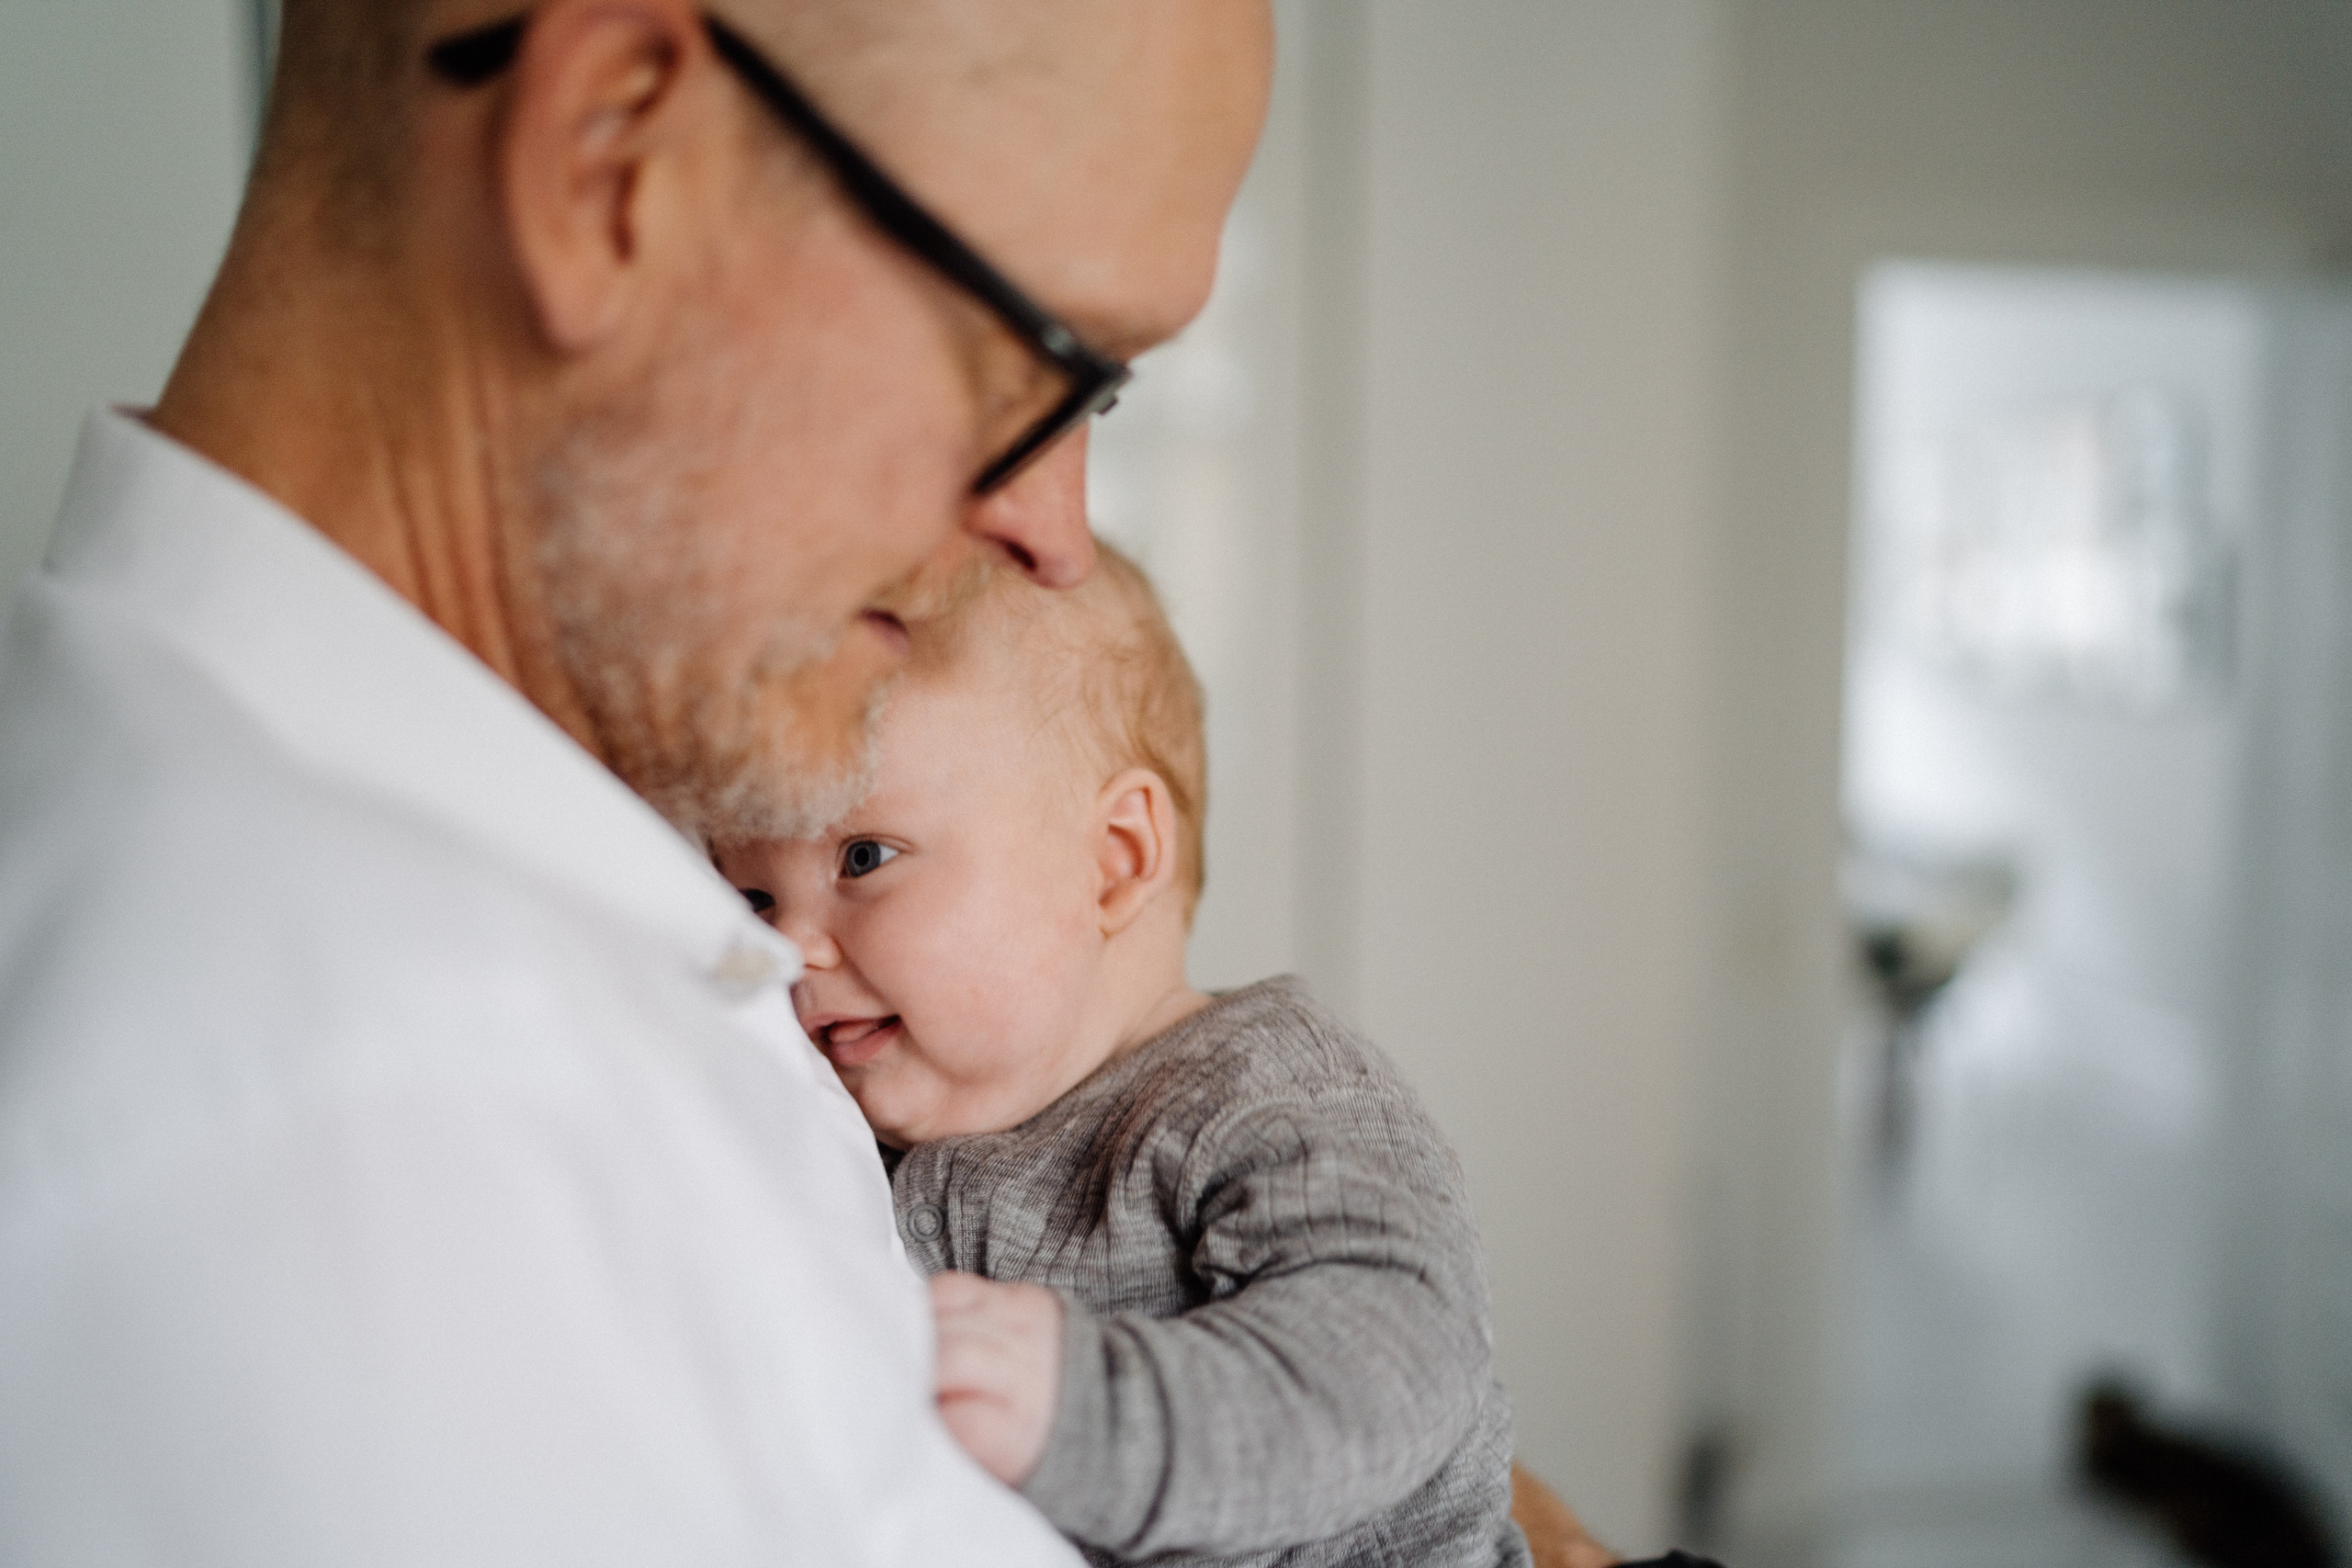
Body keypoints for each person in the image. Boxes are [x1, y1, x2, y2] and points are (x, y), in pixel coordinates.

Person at [0, 2, 1270, 1561]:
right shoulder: (310, 1136)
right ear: (611, 161)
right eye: (1039, 360)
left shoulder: (618, 868)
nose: (1055, 534)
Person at [712, 549, 1527, 1565]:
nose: (788, 947)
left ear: (1115, 860)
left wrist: (1083, 1410)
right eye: (753, 897)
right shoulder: (865, 1143)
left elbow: (1396, 1364)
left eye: (863, 857)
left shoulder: (1263, 1089)